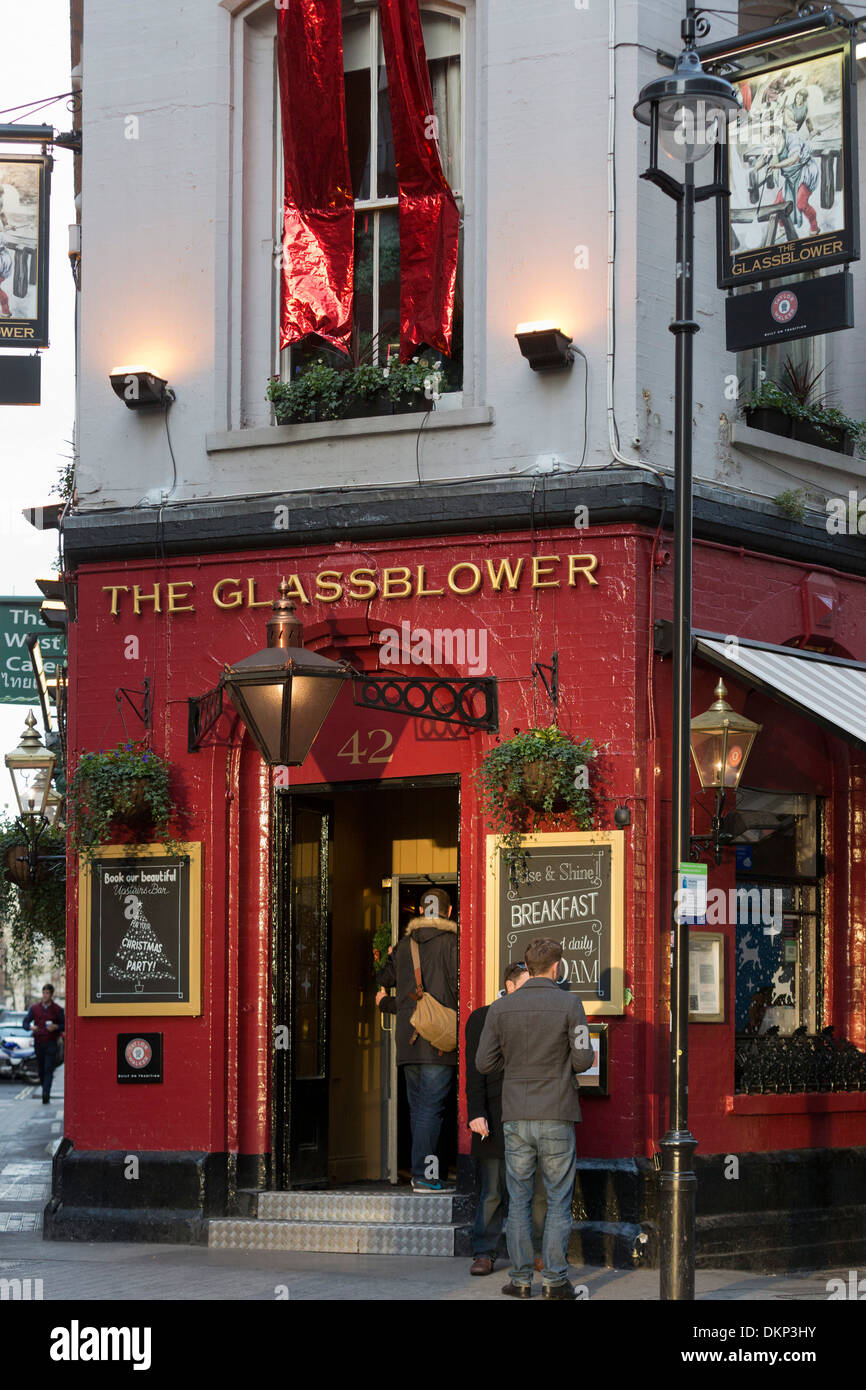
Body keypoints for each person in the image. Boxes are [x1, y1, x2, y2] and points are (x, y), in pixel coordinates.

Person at [476, 937, 594, 1300]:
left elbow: (484, 1063)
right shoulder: (570, 1004)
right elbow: (583, 1060)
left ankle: (521, 1280)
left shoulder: (501, 1009)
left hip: (515, 1115)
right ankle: (555, 1282)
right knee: (558, 1199)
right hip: (556, 1112)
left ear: (527, 968)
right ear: (556, 968)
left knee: (519, 1197)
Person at [465, 961, 547, 1276]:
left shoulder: (540, 1017)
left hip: (532, 1113)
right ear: (509, 986)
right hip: (494, 1117)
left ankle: (536, 1252)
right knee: (493, 1191)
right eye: (525, 986)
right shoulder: (482, 1018)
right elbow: (474, 1071)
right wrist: (476, 1113)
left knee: (539, 1191)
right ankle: (484, 1252)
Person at [375, 886, 458, 1193]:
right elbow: (460, 991)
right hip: (438, 1041)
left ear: (421, 912)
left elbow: (382, 980)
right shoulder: (453, 944)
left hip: (408, 1043)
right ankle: (425, 1176)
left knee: (419, 1110)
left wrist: (385, 1003)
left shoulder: (404, 945)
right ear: (449, 912)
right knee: (431, 1110)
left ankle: (421, 1173)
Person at [22, 984, 65, 1105]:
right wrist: (31, 1027)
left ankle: (46, 1093)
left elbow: (64, 1024)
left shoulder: (57, 1009)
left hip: (51, 1042)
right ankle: (44, 1088)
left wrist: (56, 1026)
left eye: (47, 993)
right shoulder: (35, 1008)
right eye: (44, 993)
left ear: (51, 995)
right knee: (41, 1069)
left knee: (48, 1068)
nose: (45, 995)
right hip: (39, 1042)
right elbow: (25, 1023)